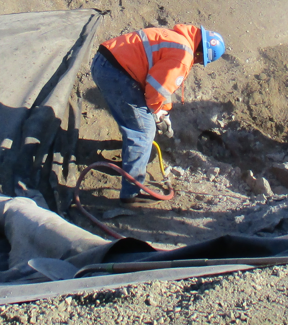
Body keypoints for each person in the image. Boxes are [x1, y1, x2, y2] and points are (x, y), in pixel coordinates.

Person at [90, 24, 225, 204]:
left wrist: (163, 112)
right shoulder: (184, 56)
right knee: (143, 132)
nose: (198, 63)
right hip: (116, 73)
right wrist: (157, 113)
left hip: (105, 63)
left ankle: (131, 161)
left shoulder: (177, 39)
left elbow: (161, 81)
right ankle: (131, 194)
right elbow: (156, 88)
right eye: (201, 61)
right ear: (200, 54)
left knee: (136, 123)